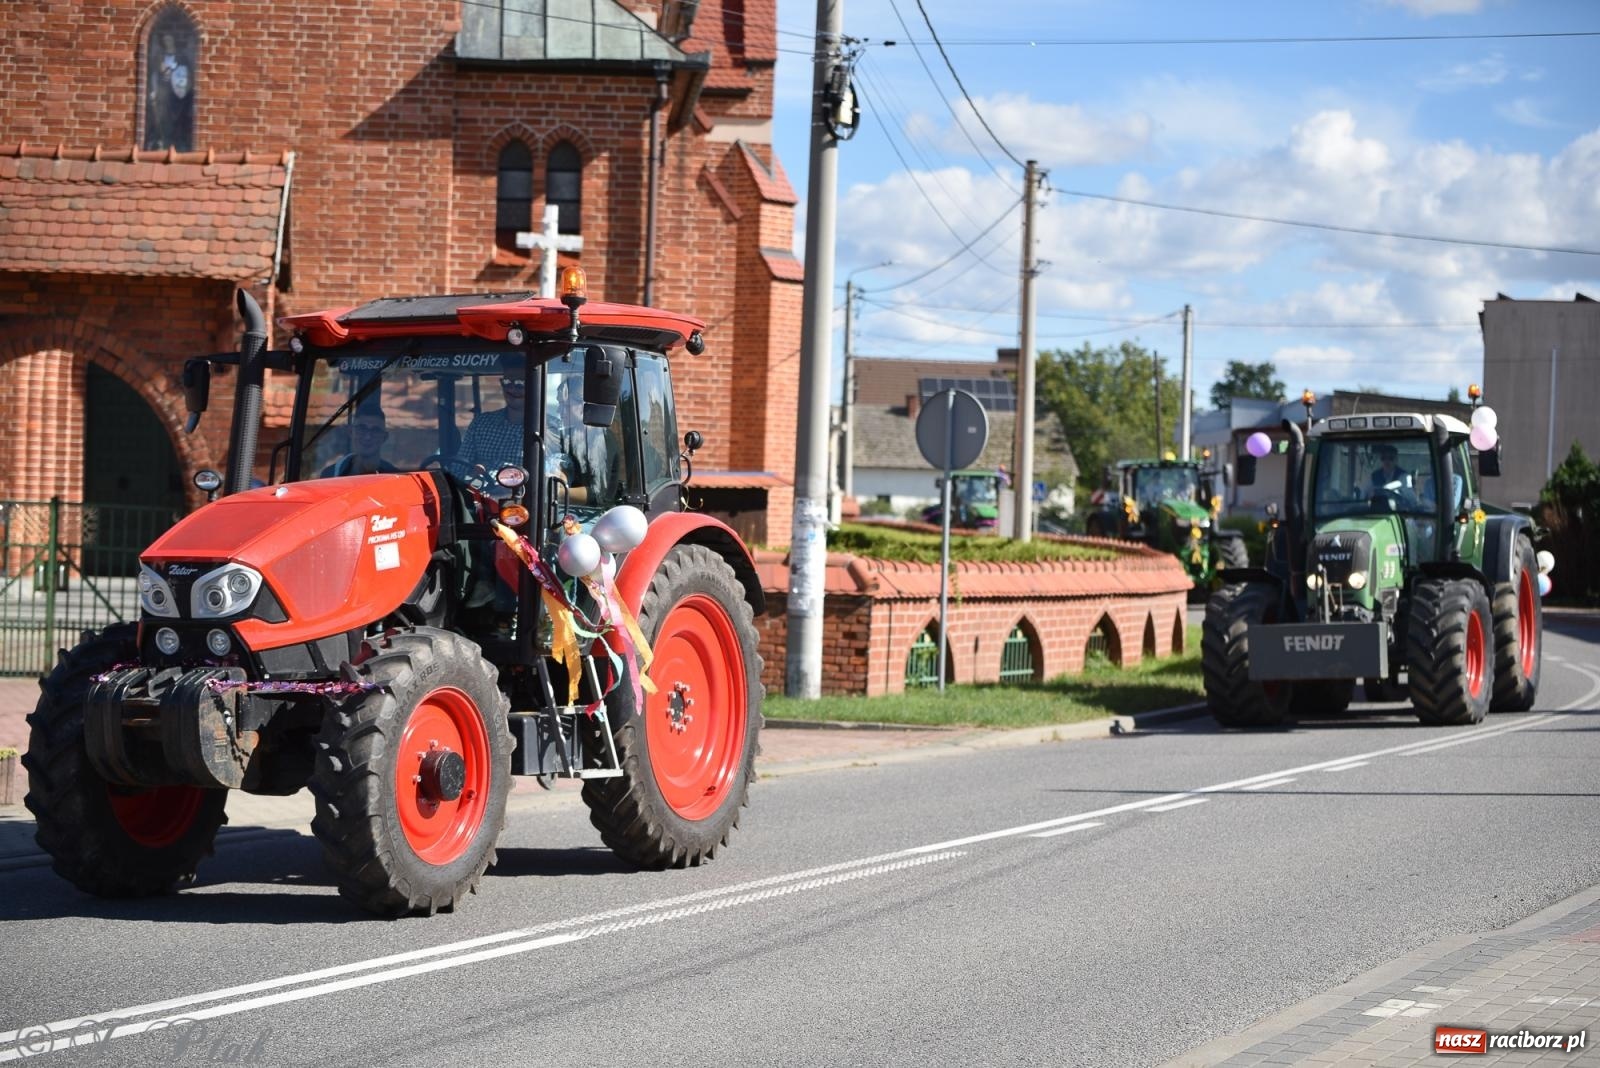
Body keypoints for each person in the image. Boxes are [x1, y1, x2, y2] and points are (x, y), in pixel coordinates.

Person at [452, 368, 528, 479]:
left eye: (520, 384)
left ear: (535, 386)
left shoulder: (547, 428)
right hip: (476, 491)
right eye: (506, 383)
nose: (511, 389)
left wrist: (488, 465)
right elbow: (460, 468)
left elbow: (548, 475)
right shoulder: (481, 422)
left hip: (521, 495)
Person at [320, 409, 398, 477]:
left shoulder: (396, 478)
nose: (368, 437)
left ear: (384, 437)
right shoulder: (330, 475)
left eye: (375, 430)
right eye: (362, 428)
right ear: (350, 432)